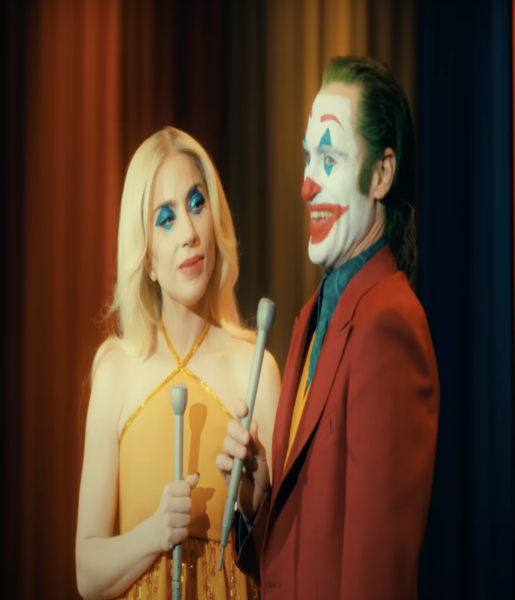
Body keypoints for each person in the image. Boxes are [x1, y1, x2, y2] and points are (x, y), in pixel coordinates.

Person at [217, 56, 440, 599]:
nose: (306, 185)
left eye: (330, 157)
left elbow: (376, 575)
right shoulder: (313, 317)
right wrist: (257, 503)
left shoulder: (388, 325)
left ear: (381, 175)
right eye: (307, 158)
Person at [75, 126, 281, 600]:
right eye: (166, 218)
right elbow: (87, 573)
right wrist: (153, 533)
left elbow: (291, 564)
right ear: (146, 258)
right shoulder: (115, 373)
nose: (189, 233)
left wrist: (256, 506)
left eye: (196, 204)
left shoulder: (257, 371)